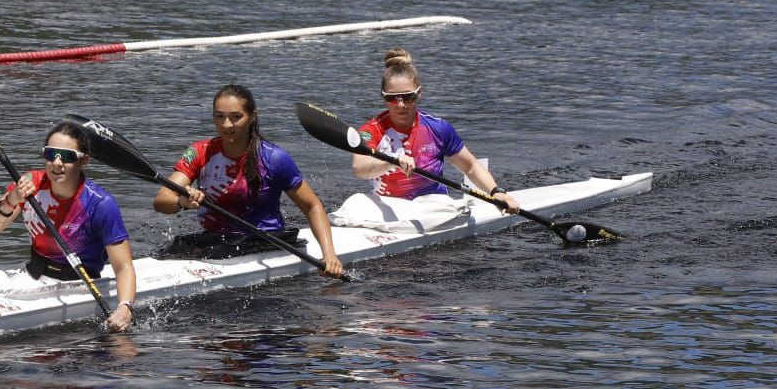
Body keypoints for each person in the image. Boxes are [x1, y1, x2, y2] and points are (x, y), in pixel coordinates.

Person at [151, 84, 345, 277]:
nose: (226, 124)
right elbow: (161, 200)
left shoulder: (274, 158)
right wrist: (182, 202)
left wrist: (329, 255)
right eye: (219, 116)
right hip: (217, 241)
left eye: (236, 117)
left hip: (265, 242)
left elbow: (312, 206)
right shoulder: (199, 152)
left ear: (252, 116)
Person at [0, 121, 136, 333]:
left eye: (67, 156)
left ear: (84, 161)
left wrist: (125, 308)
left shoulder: (100, 204)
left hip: (79, 287)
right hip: (32, 276)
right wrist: (11, 200)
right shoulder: (30, 183)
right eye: (51, 154)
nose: (57, 163)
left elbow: (123, 267)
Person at [349, 49, 521, 215]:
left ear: (419, 94)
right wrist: (392, 162)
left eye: (408, 97)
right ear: (383, 98)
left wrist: (496, 192)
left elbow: (470, 167)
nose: (401, 105)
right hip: (389, 205)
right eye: (392, 98)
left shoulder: (438, 128)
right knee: (355, 202)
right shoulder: (371, 130)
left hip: (432, 205)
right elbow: (359, 169)